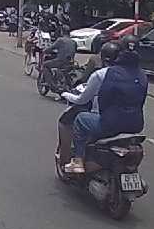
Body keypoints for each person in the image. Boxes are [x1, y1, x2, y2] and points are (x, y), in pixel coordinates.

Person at [61, 38, 148, 174]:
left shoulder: (106, 73)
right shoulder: (142, 75)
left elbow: (101, 100)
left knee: (80, 119)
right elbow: (141, 100)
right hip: (136, 125)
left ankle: (77, 161)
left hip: (111, 124)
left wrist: (66, 95)